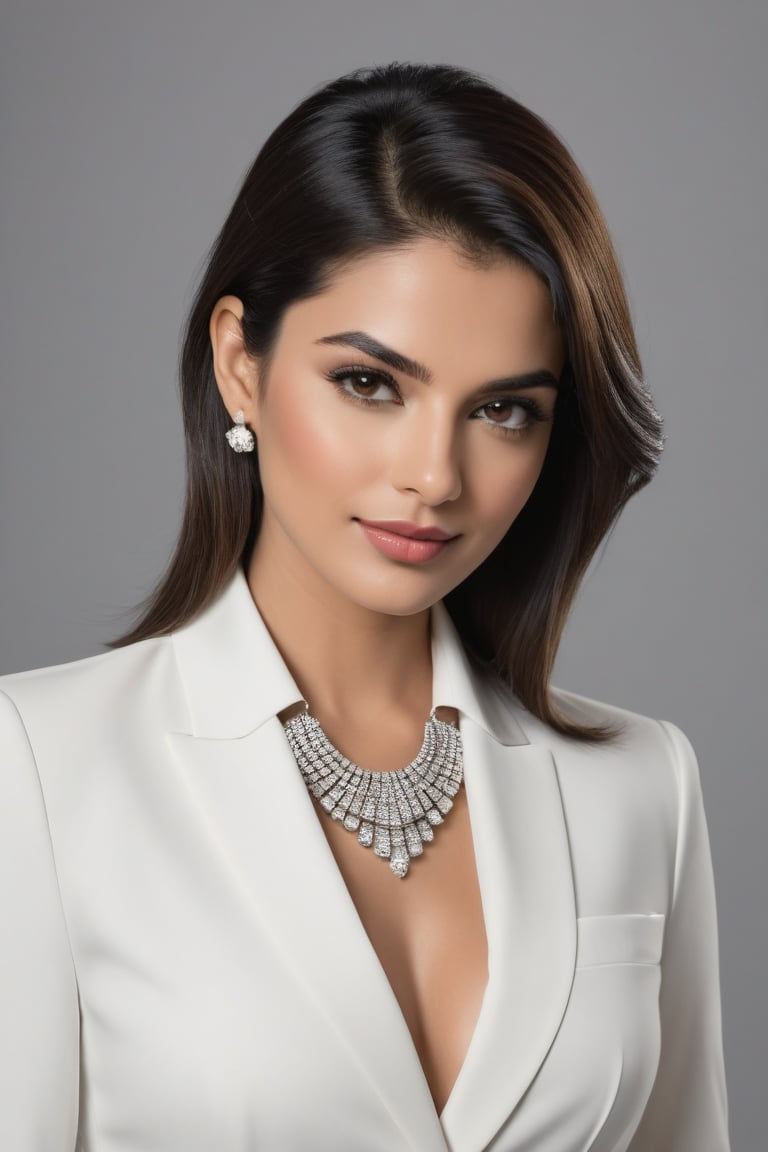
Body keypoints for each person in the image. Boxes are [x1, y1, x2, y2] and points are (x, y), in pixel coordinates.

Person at [0, 61, 730, 1151]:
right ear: (240, 365)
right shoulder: (38, 770)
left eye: (503, 410)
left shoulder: (641, 785)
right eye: (371, 383)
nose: (434, 475)